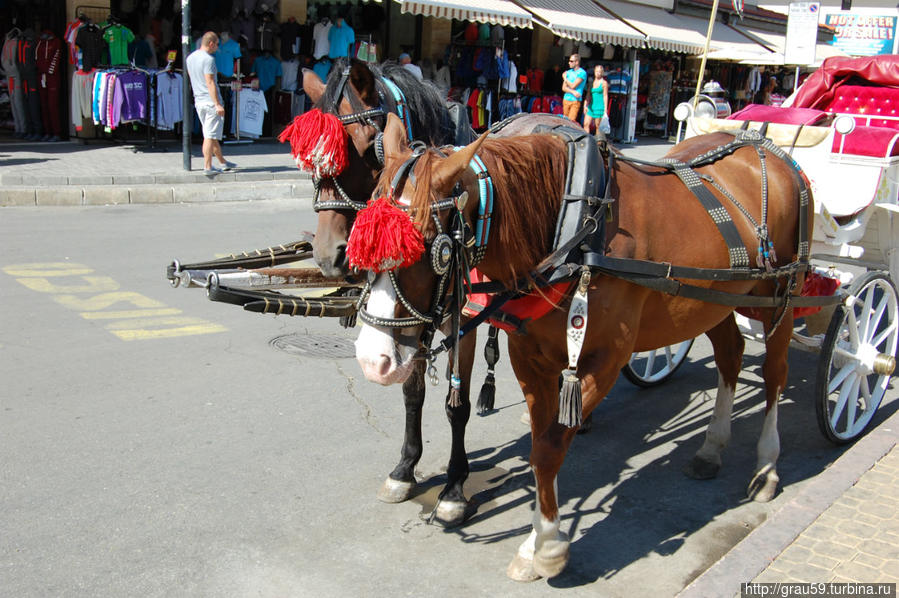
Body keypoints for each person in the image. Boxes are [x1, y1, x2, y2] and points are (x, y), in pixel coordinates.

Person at [186, 31, 237, 176]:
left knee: (211, 133)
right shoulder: (208, 59)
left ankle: (223, 162)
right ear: (211, 44)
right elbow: (210, 82)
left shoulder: (190, 58)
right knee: (209, 135)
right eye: (216, 45)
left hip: (199, 101)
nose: (217, 48)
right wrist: (217, 104)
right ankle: (207, 166)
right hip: (210, 102)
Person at [583, 64, 609, 139]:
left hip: (599, 107)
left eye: (600, 72)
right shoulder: (591, 83)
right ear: (594, 72)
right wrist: (585, 105)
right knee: (586, 124)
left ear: (602, 73)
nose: (598, 73)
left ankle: (598, 143)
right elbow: (588, 95)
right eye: (597, 71)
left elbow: (605, 96)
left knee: (598, 127)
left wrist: (605, 109)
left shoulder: (604, 83)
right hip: (591, 106)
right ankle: (587, 140)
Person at [561, 53, 586, 122]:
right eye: (569, 61)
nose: (569, 63)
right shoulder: (568, 72)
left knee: (571, 120)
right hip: (566, 99)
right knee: (564, 120)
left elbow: (573, 85)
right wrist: (573, 92)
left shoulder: (582, 73)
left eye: (571, 61)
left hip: (575, 100)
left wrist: (565, 79)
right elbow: (563, 88)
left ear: (577, 62)